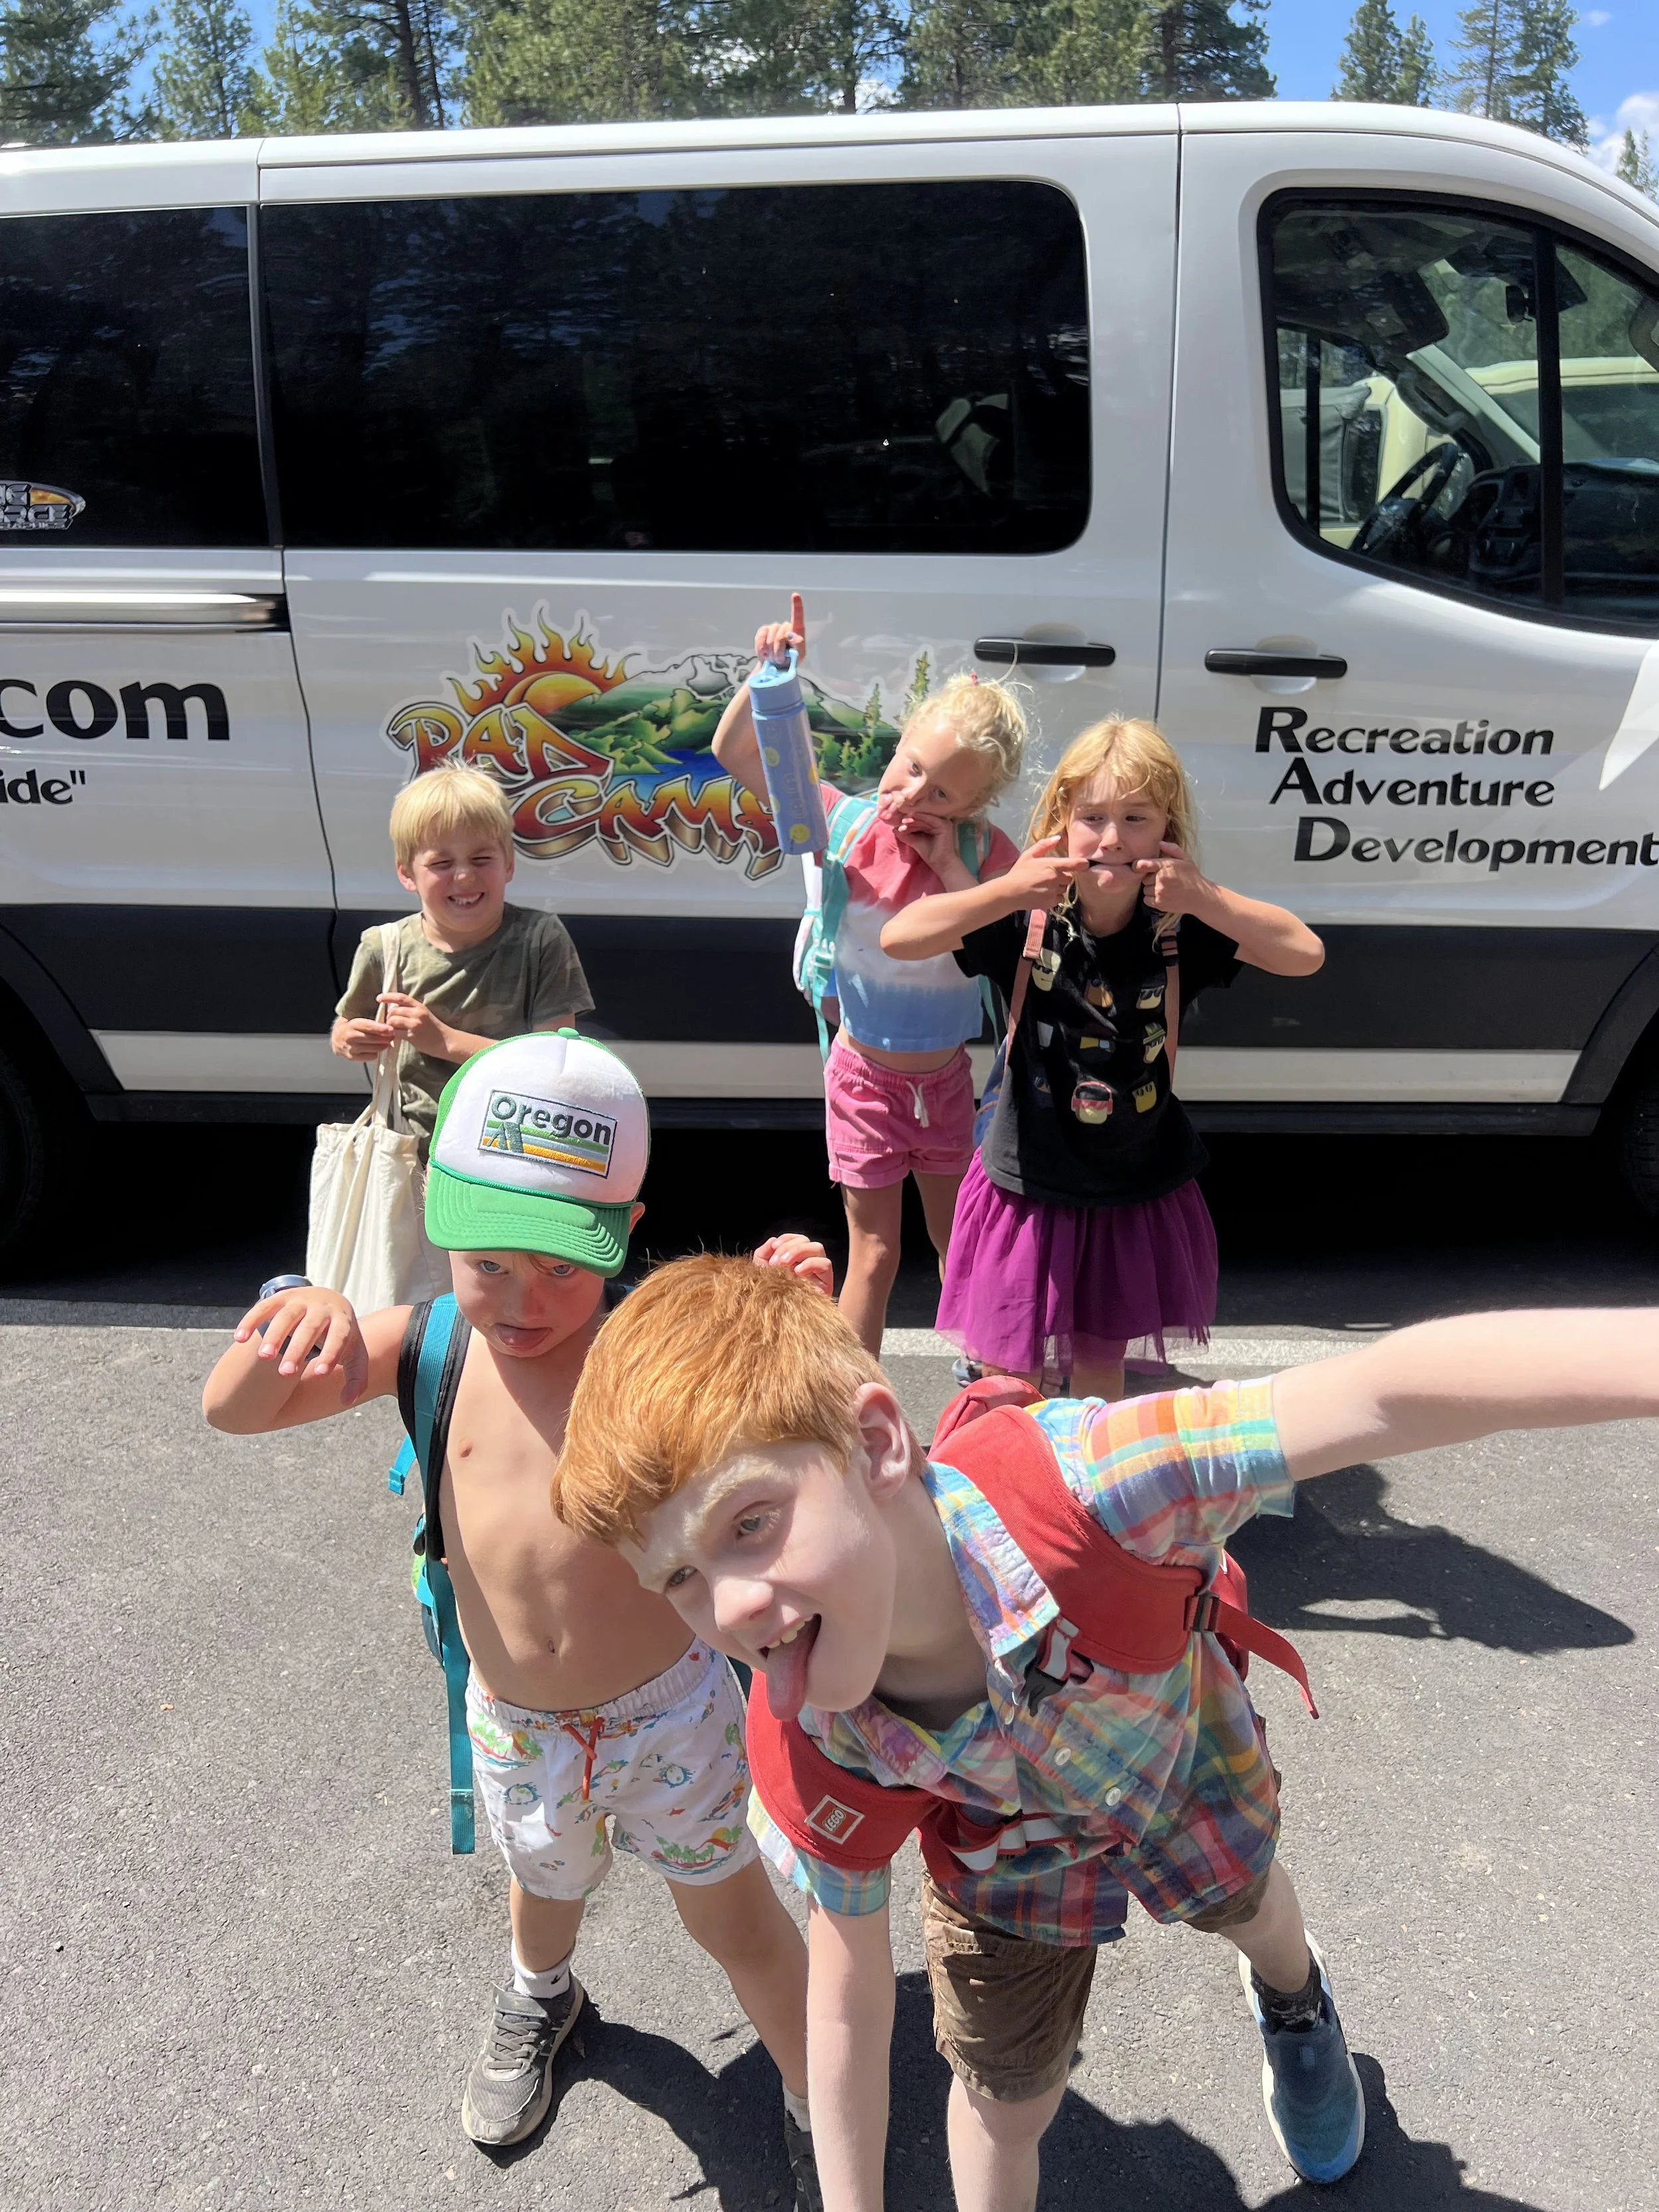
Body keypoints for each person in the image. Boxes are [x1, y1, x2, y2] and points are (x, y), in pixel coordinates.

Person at [551, 1258, 1659, 2210]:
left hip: (1174, 1756)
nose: (732, 1605)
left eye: (751, 1523)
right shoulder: (812, 1722)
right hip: (1003, 1856)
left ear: (879, 1442)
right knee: (1002, 2090)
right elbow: (842, 1976)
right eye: (682, 1577)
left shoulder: (1098, 1484)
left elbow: (1381, 1390)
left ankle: (1294, 1993)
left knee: (1253, 1905)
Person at [203, 1034, 821, 2198]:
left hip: (667, 1715)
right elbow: (234, 1412)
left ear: (626, 1235)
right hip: (518, 1723)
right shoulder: (427, 1342)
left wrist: (794, 1324)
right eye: (489, 1260)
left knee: (736, 1918)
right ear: (438, 1217)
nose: (523, 1299)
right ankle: (546, 1994)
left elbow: (808, 1447)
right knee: (543, 1887)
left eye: (562, 1266)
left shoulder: (656, 1350)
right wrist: (292, 1308)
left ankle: (811, 2088)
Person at [883, 717, 1324, 1401]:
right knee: (1009, 1374)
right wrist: (1007, 888)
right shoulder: (1028, 917)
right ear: (1061, 820)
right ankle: (1012, 1490)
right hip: (1027, 1185)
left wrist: (1201, 894)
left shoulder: (1178, 931)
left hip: (1130, 1187)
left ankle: (1089, 1498)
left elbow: (1304, 954)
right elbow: (901, 939)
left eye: (1135, 817)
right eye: (1091, 816)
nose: (1112, 838)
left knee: (1098, 1370)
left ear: (1166, 828)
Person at [712, 593, 1027, 1357]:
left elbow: (1003, 946)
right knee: (874, 1255)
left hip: (947, 1080)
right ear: (896, 746)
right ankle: (852, 1409)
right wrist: (767, 676)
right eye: (910, 767)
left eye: (942, 793)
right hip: (861, 1079)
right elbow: (738, 755)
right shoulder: (843, 825)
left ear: (977, 804)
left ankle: (987, 1386)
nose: (912, 795)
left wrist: (949, 862)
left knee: (959, 1244)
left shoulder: (986, 856)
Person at [332, 763, 593, 1161]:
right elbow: (347, 1023)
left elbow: (554, 1066)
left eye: (481, 858)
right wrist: (350, 1039)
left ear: (509, 863)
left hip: (513, 1158)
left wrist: (444, 1041)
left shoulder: (540, 940)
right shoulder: (384, 947)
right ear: (407, 874)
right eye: (441, 864)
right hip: (413, 1158)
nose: (464, 876)